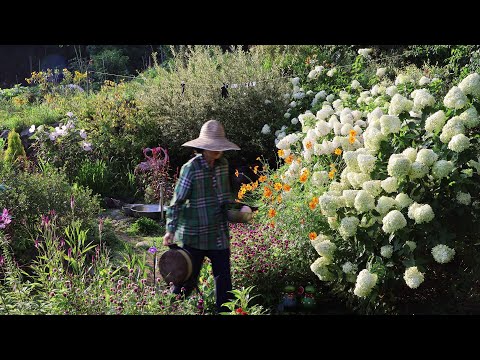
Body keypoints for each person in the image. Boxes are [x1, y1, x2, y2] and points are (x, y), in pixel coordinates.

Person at [163, 119, 240, 313]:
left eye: (219, 147)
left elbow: (224, 198)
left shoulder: (223, 165)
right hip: (194, 235)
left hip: (218, 235)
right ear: (203, 147)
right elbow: (177, 202)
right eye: (212, 147)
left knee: (225, 282)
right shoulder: (191, 168)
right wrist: (170, 230)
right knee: (187, 281)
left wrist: (238, 212)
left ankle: (225, 312)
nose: (216, 152)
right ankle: (168, 309)